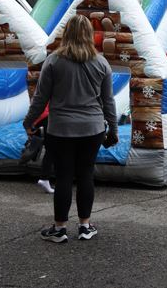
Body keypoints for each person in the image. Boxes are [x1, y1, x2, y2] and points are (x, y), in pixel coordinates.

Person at [23, 14, 118, 243]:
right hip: (92, 128)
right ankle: (85, 226)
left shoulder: (54, 61)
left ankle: (59, 228)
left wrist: (29, 122)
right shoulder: (101, 62)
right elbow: (108, 101)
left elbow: (40, 98)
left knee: (64, 176)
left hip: (61, 129)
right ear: (89, 35)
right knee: (86, 174)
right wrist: (113, 128)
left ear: (66, 33)